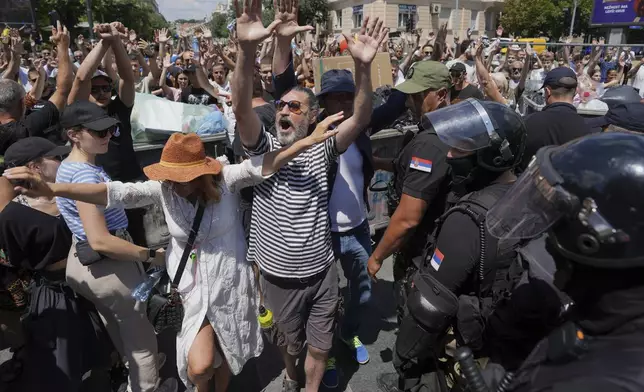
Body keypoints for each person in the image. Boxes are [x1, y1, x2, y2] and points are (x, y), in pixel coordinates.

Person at [5, 118, 341, 391]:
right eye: (170, 176)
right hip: (191, 290)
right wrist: (53, 189)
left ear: (201, 172)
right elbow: (111, 193)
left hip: (228, 283)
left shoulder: (225, 180)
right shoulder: (162, 189)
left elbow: (267, 163)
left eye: (182, 178)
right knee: (200, 366)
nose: (174, 183)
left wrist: (306, 142)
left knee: (225, 351)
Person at [232, 0, 387, 390]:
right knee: (292, 345)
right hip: (280, 278)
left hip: (321, 274)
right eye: (281, 104)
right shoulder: (261, 146)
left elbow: (362, 116)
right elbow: (240, 109)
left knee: (319, 345)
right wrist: (247, 50)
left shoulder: (325, 147)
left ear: (312, 117)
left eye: (295, 107)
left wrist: (364, 67)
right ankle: (289, 375)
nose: (284, 109)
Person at [376, 99, 528, 392]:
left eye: (460, 148)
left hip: (468, 355)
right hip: (507, 344)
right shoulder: (526, 194)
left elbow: (429, 307)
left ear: (492, 156)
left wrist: (404, 359)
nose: (449, 153)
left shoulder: (469, 218)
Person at [485, 132, 644, 392]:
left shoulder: (598, 382)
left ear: (591, 240)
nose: (547, 237)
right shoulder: (611, 314)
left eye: (557, 223)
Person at [0, 138, 111, 392]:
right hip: (58, 295)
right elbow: (15, 261)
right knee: (62, 368)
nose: (62, 161)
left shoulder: (72, 193)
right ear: (34, 167)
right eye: (55, 158)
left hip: (93, 280)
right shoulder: (12, 216)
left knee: (101, 351)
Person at [367, 60, 452, 324]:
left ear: (440, 95)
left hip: (421, 253)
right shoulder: (449, 127)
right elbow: (409, 170)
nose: (409, 102)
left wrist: (378, 256)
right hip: (438, 245)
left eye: (417, 96)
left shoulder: (430, 143)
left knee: (415, 319)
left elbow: (408, 218)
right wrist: (378, 163)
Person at [0, 22, 72, 153]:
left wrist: (15, 55)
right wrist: (63, 47)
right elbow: (63, 90)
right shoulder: (28, 127)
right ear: (23, 103)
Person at [518, 67, 593, 171]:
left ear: (547, 91)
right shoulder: (589, 129)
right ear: (575, 92)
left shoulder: (527, 123)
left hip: (532, 185)